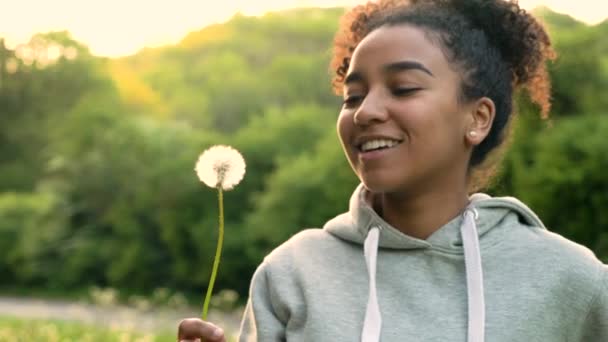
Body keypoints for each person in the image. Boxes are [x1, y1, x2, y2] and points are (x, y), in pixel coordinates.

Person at [178, 0, 608, 341]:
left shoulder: (573, 282)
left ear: (477, 118)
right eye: (352, 96)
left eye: (403, 88)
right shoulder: (293, 272)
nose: (365, 112)